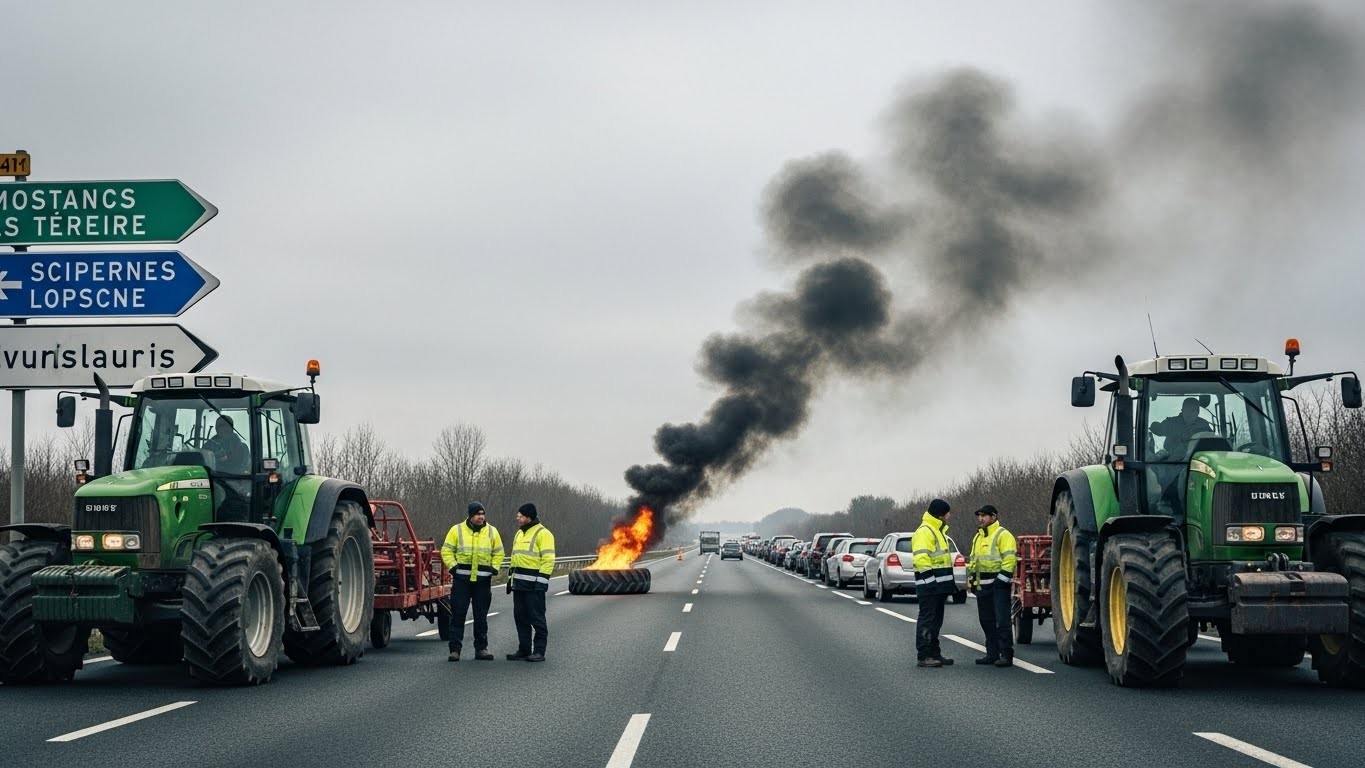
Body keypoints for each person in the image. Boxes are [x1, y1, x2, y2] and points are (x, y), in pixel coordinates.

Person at [440, 501, 505, 662]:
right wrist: (453, 567)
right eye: (478, 514)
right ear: (470, 516)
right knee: (458, 615)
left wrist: (494, 568)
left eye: (483, 514)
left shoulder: (492, 532)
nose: (481, 517)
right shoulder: (457, 530)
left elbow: (499, 552)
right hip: (462, 580)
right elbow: (446, 550)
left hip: (483, 581)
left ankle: (481, 649)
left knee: (481, 616)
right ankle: (455, 650)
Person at [969, 504, 1018, 668]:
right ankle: (992, 653)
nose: (981, 519)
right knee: (986, 621)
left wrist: (1001, 581)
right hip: (982, 587)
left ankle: (1006, 654)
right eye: (979, 515)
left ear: (994, 517)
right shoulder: (978, 537)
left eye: (984, 515)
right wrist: (973, 582)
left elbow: (1009, 559)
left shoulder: (1003, 535)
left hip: (998, 586)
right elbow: (973, 561)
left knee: (1002, 621)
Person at [507, 502, 555, 662]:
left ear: (529, 516)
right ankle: (524, 649)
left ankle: (539, 651)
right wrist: (509, 581)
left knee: (537, 618)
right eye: (518, 515)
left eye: (520, 515)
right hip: (519, 585)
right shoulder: (519, 534)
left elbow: (548, 560)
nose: (517, 518)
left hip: (534, 586)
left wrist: (541, 583)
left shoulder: (544, 534)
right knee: (520, 618)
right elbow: (515, 559)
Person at [912, 498, 956, 668]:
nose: (949, 516)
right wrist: (931, 583)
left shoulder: (938, 530)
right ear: (941, 514)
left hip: (938, 587)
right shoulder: (925, 531)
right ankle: (924, 655)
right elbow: (922, 560)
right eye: (947, 513)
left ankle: (934, 653)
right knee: (927, 620)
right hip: (930, 586)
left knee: (936, 621)